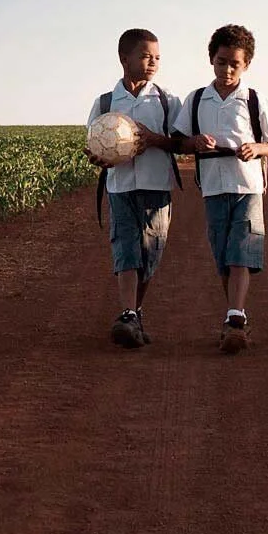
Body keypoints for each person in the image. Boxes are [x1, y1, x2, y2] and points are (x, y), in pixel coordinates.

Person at [175, 24, 268, 355]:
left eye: (234, 64)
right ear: (211, 59)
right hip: (212, 186)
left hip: (247, 185)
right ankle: (234, 315)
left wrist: (257, 149)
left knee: (241, 249)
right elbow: (180, 140)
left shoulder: (254, 100)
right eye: (221, 61)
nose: (226, 70)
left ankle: (235, 317)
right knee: (223, 255)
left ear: (246, 65)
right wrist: (194, 143)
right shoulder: (197, 100)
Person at [86, 28, 182, 348]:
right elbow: (95, 143)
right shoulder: (105, 103)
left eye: (157, 57)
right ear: (123, 58)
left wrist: (152, 139)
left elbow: (181, 142)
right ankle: (127, 313)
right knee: (126, 248)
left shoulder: (167, 101)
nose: (153, 62)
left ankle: (135, 312)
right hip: (120, 186)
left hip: (157, 185)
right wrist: (99, 158)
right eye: (145, 56)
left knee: (149, 255)